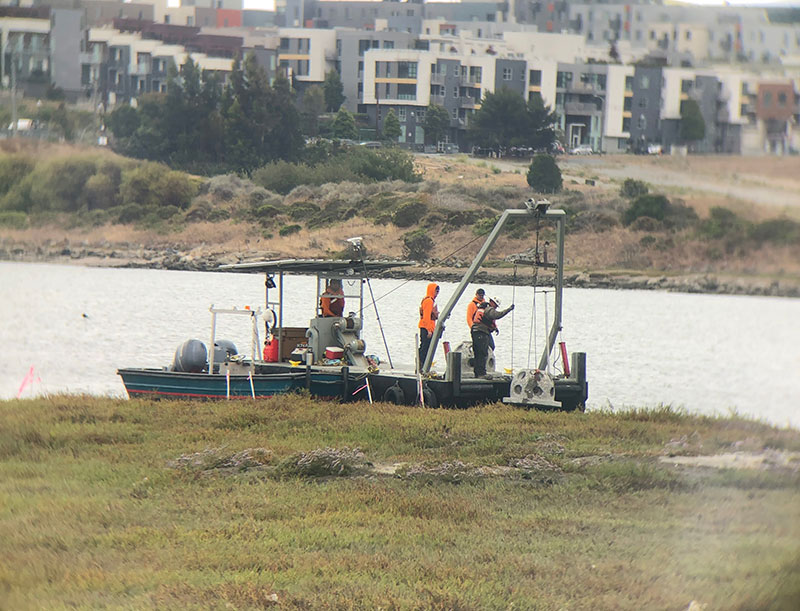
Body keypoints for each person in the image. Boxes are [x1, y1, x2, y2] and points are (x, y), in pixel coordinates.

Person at [470, 296, 514, 378]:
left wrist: (495, 328)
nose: (496, 307)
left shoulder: (484, 308)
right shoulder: (489, 309)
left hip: (476, 332)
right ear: (492, 302)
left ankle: (478, 372)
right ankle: (481, 373)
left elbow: (487, 319)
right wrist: (509, 309)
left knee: (479, 352)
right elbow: (497, 315)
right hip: (481, 332)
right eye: (496, 305)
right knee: (482, 353)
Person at [418, 282, 440, 367]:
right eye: (436, 291)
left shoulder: (429, 300)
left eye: (438, 291)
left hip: (428, 327)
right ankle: (422, 365)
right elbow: (426, 317)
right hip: (426, 328)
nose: (437, 293)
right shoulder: (428, 301)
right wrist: (429, 330)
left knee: (426, 347)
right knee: (425, 347)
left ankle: (423, 364)